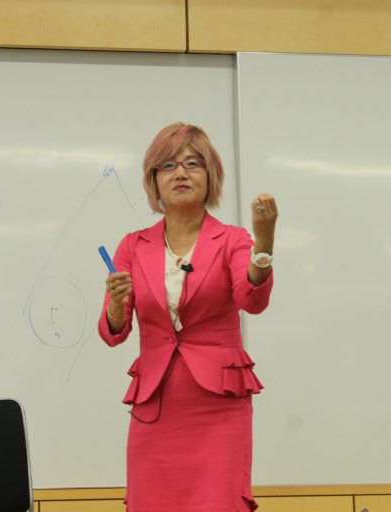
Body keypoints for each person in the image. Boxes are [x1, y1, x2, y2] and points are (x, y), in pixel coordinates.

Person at [98, 122, 277, 511]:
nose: (180, 173)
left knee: (219, 502)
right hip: (155, 406)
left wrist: (263, 244)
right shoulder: (133, 245)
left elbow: (252, 300)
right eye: (168, 165)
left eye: (192, 163)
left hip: (219, 407)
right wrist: (115, 304)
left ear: (210, 176)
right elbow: (113, 332)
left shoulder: (233, 239)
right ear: (154, 180)